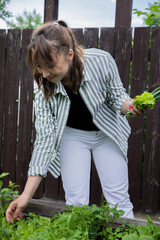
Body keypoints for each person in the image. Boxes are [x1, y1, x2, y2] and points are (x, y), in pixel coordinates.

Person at [6, 20, 144, 222]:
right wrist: (26, 195)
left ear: (70, 55)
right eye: (40, 67)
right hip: (72, 136)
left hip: (107, 133)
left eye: (50, 66)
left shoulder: (101, 61)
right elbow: (45, 139)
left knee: (118, 199)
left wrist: (130, 106)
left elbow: (117, 97)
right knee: (76, 202)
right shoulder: (44, 85)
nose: (44, 74)